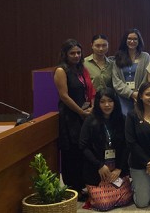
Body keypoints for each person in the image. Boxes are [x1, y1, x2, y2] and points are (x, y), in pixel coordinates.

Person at [54, 39, 96, 196]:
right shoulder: (61, 70)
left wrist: (90, 107)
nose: (76, 55)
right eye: (72, 53)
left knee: (81, 149)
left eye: (78, 52)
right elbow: (64, 96)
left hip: (83, 114)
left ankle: (81, 184)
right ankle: (72, 188)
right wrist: (81, 111)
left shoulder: (80, 69)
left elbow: (88, 90)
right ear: (65, 54)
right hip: (70, 117)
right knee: (71, 151)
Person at [79, 88, 132, 211]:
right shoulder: (90, 121)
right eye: (102, 101)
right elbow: (83, 146)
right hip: (97, 168)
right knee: (104, 205)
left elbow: (127, 146)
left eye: (110, 101)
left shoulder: (122, 119)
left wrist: (119, 168)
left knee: (126, 199)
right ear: (97, 103)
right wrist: (99, 166)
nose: (107, 105)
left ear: (115, 102)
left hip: (116, 167)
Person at [113, 29, 150, 115]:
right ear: (125, 40)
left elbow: (146, 76)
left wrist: (139, 94)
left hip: (141, 95)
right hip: (123, 96)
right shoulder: (118, 56)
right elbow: (116, 80)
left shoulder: (145, 57)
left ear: (139, 41)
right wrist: (131, 94)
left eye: (135, 39)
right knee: (125, 118)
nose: (132, 41)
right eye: (129, 38)